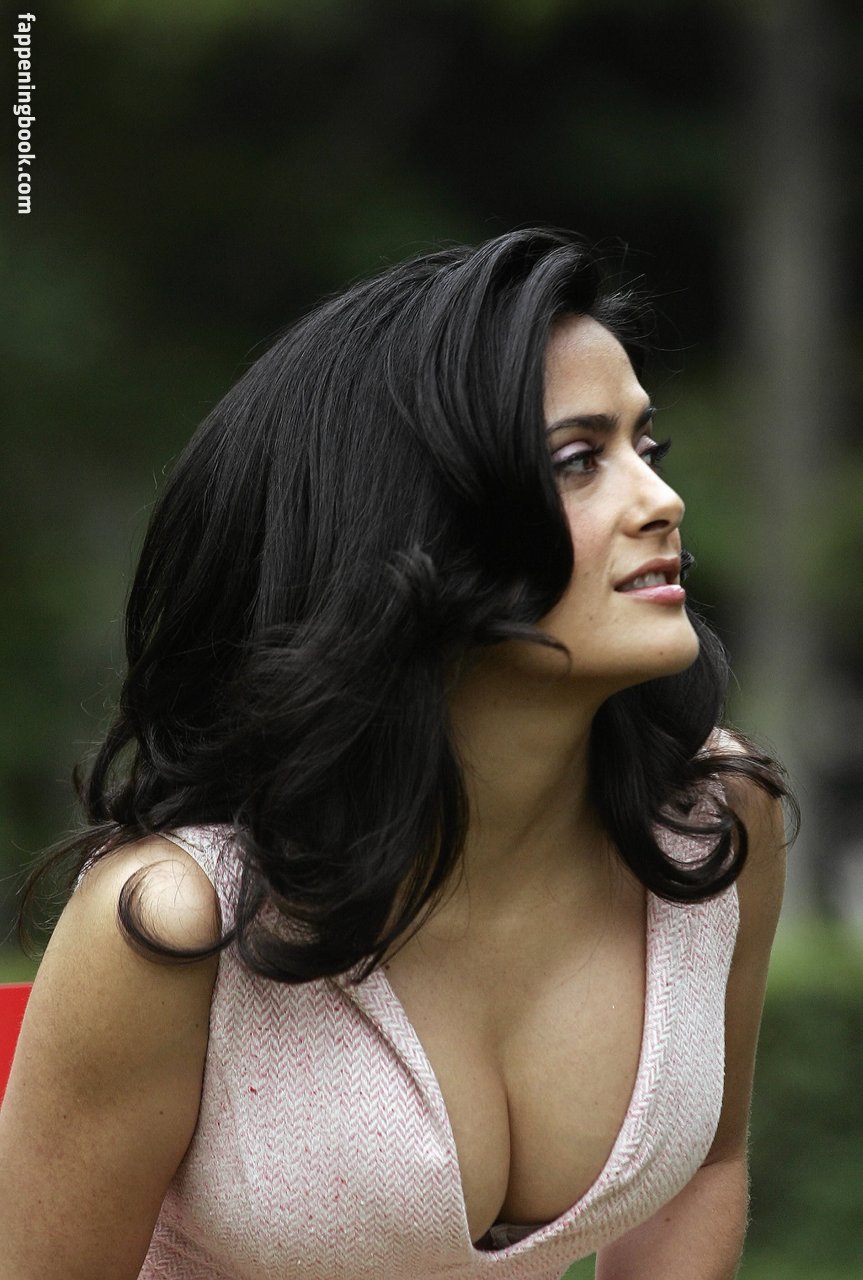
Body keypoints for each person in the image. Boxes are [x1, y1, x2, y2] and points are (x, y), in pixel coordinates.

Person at [0, 228, 794, 1279]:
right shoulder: (174, 924)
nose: (660, 501)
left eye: (644, 450)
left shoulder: (710, 828)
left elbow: (704, 1163)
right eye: (576, 461)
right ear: (411, 526)